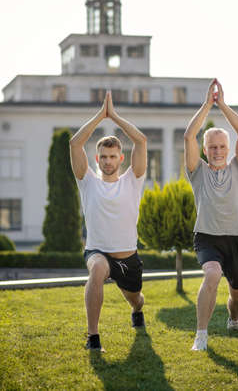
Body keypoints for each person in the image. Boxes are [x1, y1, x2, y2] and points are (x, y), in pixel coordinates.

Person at [70, 90, 147, 351]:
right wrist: (99, 116)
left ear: (120, 158)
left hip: (128, 259)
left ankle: (137, 310)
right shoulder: (87, 181)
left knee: (135, 298)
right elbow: (75, 144)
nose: (108, 161)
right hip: (97, 251)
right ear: (97, 158)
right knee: (98, 270)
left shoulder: (133, 180)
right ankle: (93, 338)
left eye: (113, 156)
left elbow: (141, 141)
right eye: (103, 156)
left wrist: (114, 116)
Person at [184, 78, 238, 351]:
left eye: (221, 147)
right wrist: (207, 105)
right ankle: (201, 335)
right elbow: (188, 136)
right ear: (205, 151)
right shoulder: (198, 172)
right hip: (207, 237)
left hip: (236, 238)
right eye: (212, 147)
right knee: (212, 274)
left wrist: (222, 105)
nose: (216, 151)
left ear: (229, 150)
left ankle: (234, 319)